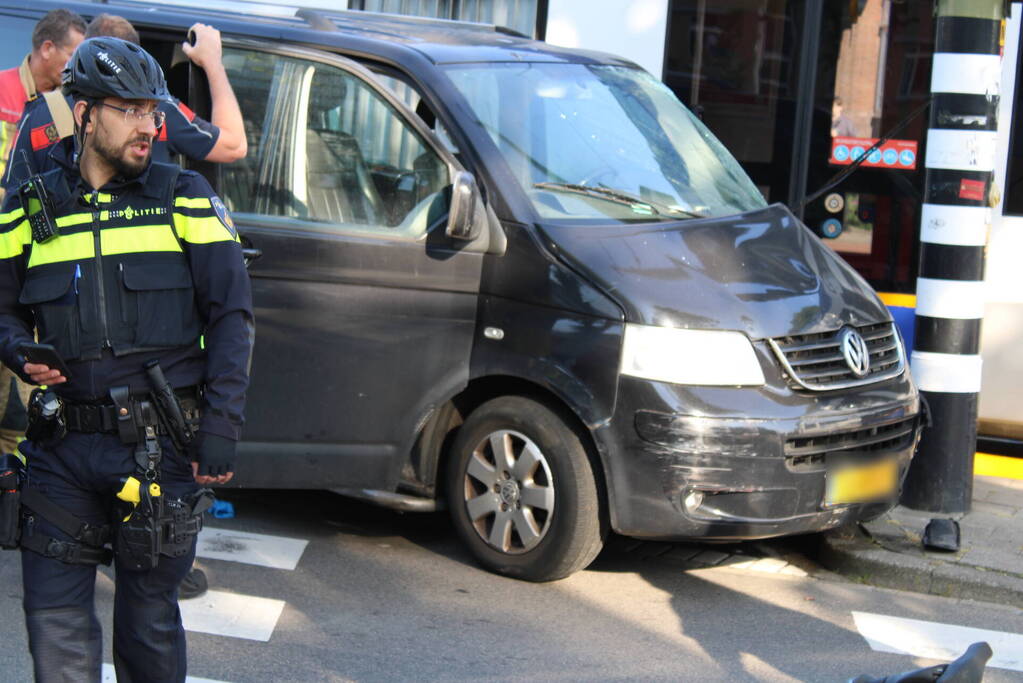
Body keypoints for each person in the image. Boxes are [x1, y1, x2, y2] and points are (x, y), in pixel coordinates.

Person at [0, 37, 253, 681]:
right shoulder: (30, 206)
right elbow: (1, 311)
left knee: (147, 629)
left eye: (153, 110)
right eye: (132, 110)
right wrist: (18, 349)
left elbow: (232, 317)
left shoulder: (185, 194)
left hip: (159, 450)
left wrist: (221, 426)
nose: (150, 125)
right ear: (85, 115)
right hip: (59, 452)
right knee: (54, 631)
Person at [3, 13, 246, 191]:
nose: (148, 127)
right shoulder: (162, 110)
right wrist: (213, 62)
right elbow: (234, 146)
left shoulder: (39, 112)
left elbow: (13, 200)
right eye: (131, 111)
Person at [0, 9, 86, 462]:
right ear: (47, 49)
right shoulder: (7, 95)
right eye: (74, 55)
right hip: (9, 257)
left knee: (25, 409)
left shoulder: (67, 107)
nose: (78, 67)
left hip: (37, 270)